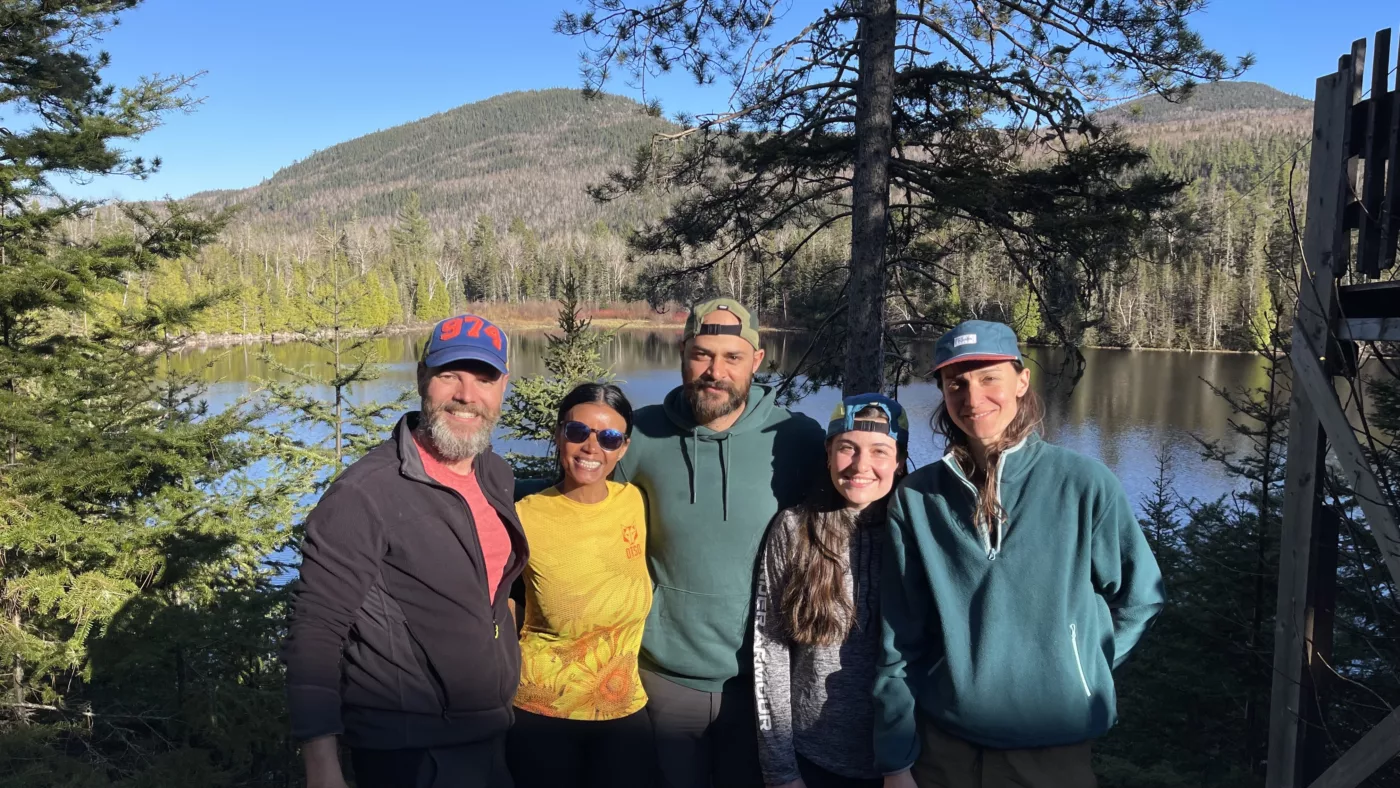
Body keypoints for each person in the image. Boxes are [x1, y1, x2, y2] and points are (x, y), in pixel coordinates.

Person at [873, 320, 1165, 788]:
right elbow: (899, 637)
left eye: (989, 377)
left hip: (1052, 753)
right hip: (943, 750)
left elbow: (1140, 597)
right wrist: (895, 759)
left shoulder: (1083, 484)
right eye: (957, 383)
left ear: (1021, 380)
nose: (972, 398)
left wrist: (1078, 667)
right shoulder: (919, 498)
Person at [284, 313, 526, 788]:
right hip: (412, 750)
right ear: (422, 378)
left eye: (483, 378)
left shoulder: (494, 473)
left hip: (488, 731)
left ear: (503, 388)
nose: (466, 394)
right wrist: (321, 765)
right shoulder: (365, 494)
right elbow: (315, 631)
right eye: (449, 374)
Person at [614, 297, 827, 788]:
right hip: (663, 678)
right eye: (701, 354)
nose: (714, 371)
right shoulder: (640, 434)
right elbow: (581, 504)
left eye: (731, 357)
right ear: (682, 353)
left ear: (756, 360)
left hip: (762, 682)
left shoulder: (796, 438)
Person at [754, 394, 910, 788]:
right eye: (847, 448)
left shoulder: (916, 534)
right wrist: (781, 771)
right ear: (828, 454)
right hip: (812, 758)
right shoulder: (794, 529)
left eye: (880, 451)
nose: (861, 466)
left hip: (905, 764)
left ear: (900, 461)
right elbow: (769, 652)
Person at [505, 382, 655, 788]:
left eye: (608, 438)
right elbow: (499, 606)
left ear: (623, 448)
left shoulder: (636, 504)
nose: (591, 447)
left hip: (624, 710)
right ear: (559, 436)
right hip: (541, 716)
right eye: (577, 432)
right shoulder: (524, 516)